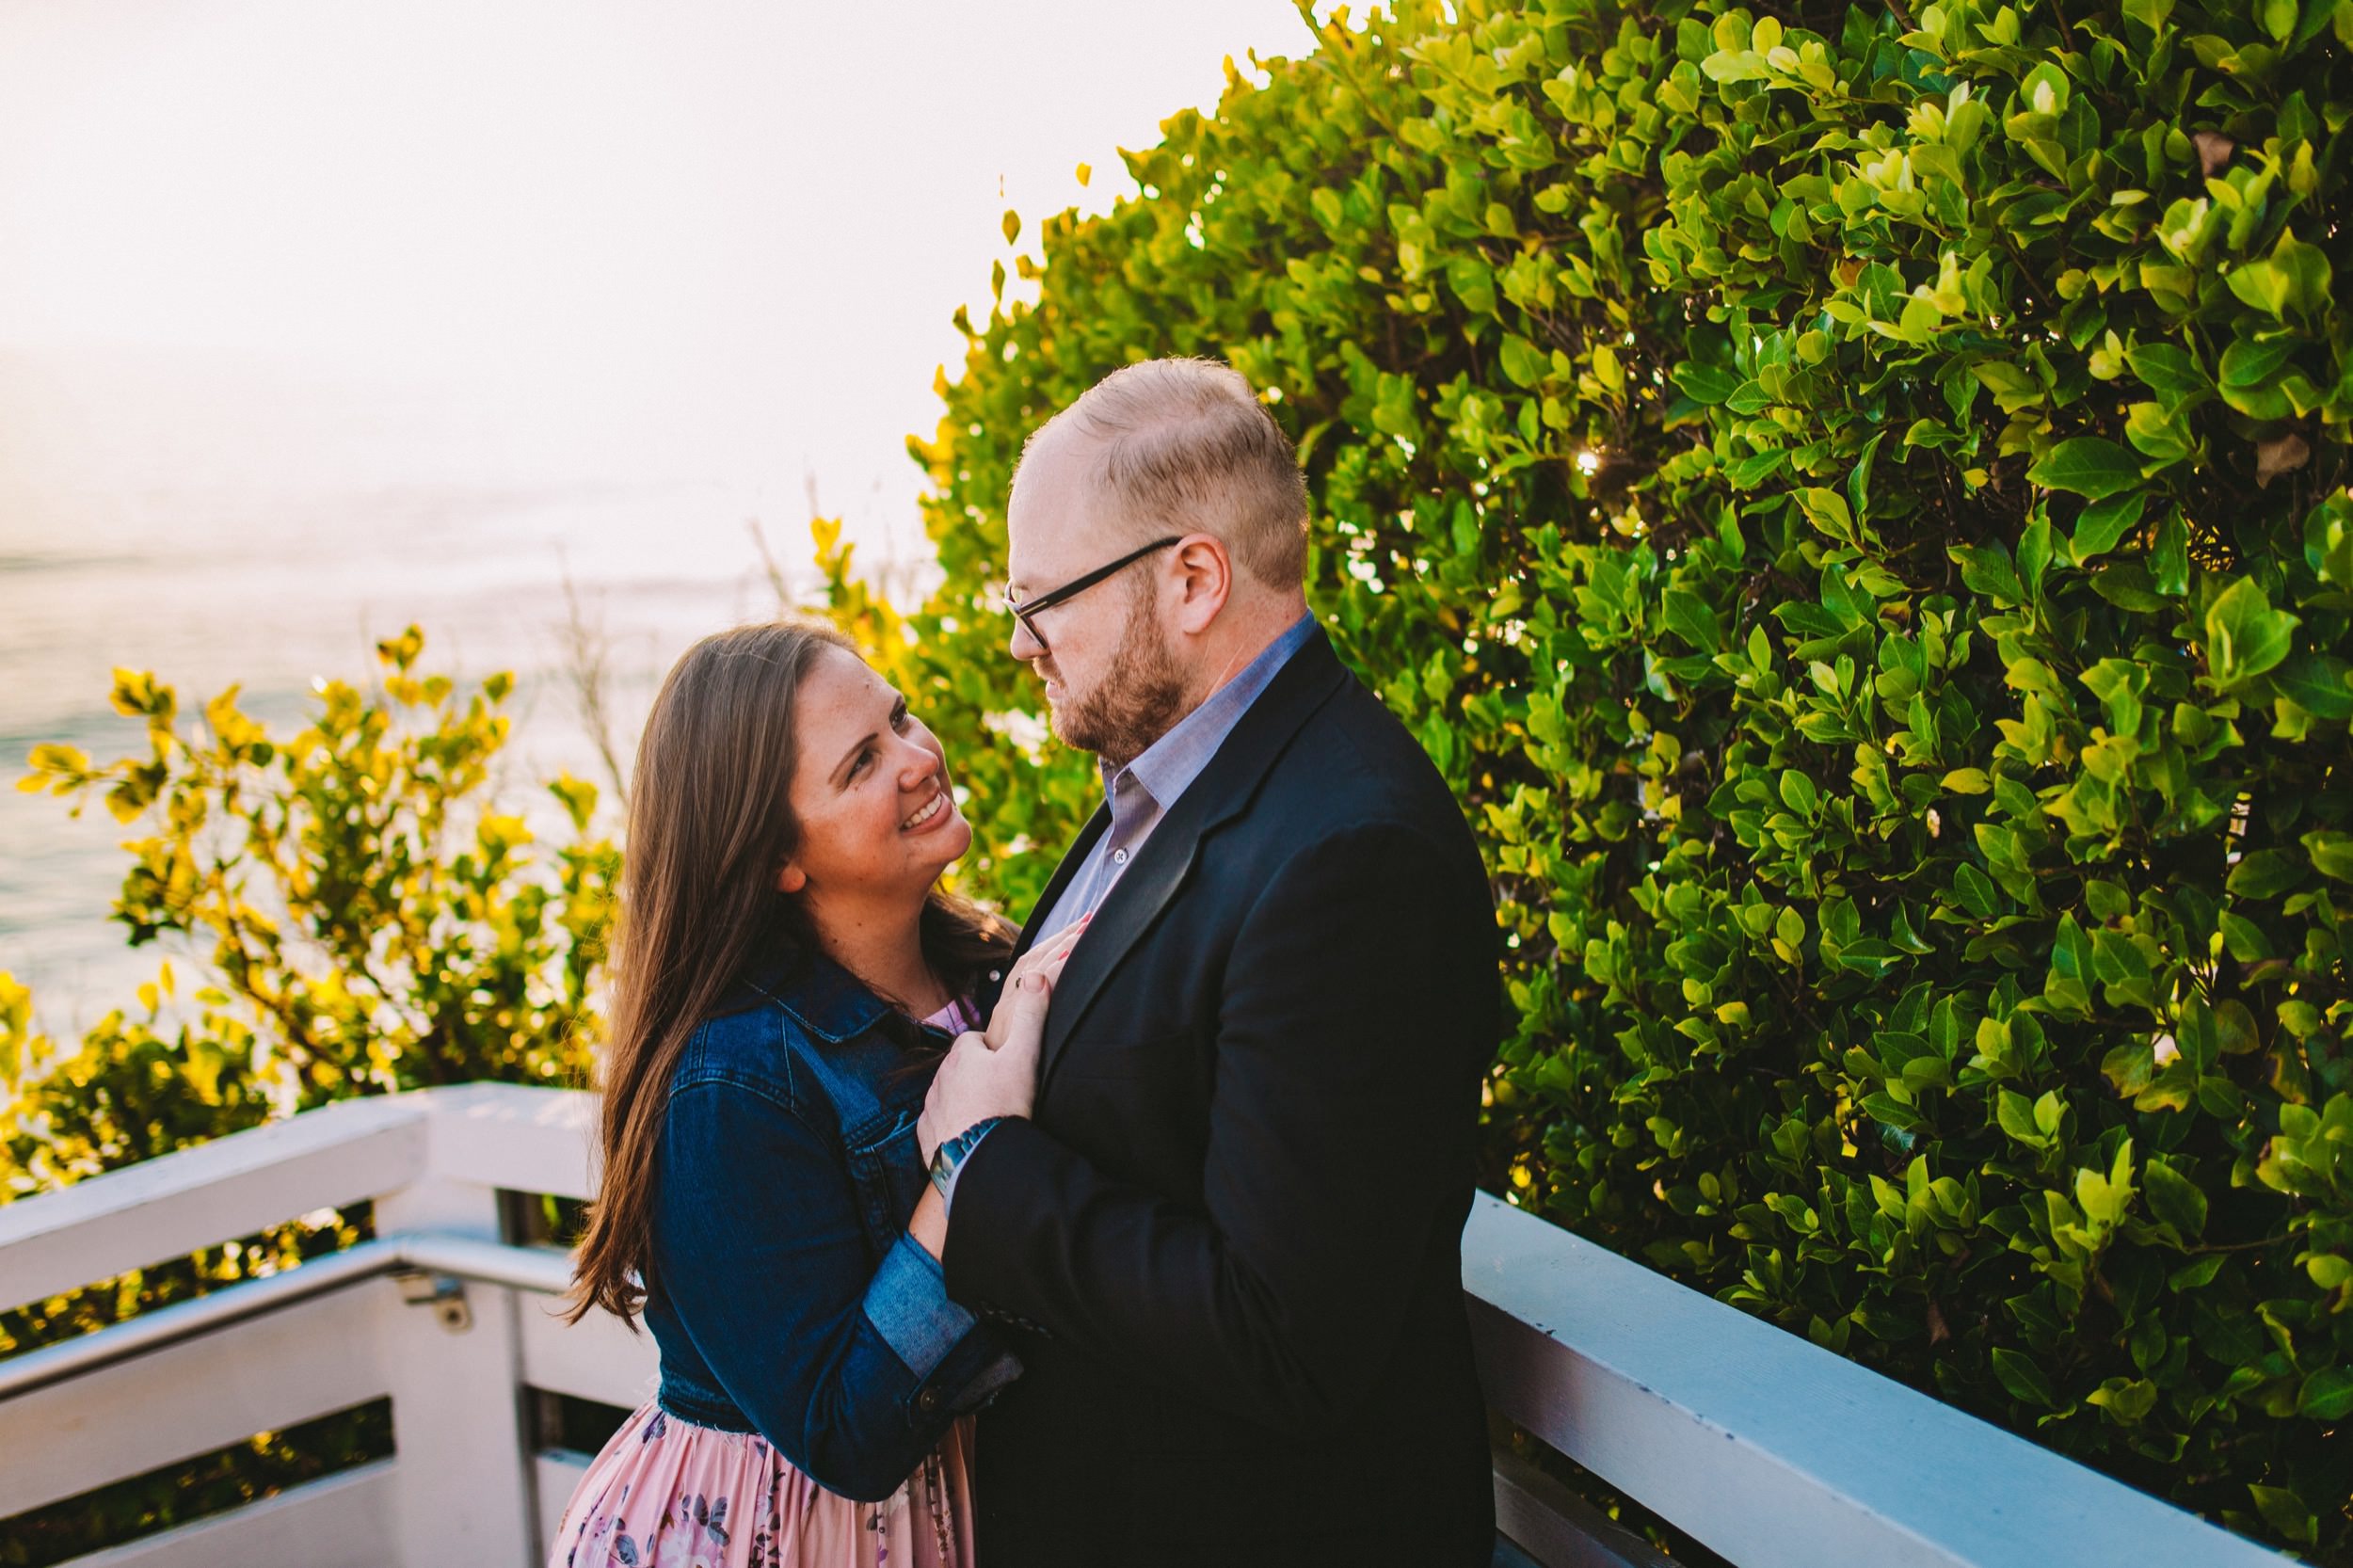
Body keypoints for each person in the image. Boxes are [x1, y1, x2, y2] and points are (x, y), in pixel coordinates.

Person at [918, 358, 1501, 1566]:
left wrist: (987, 1166)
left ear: (1193, 578)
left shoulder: (1353, 855)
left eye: (1043, 600)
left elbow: (1285, 1334)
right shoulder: (1161, 784)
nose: (1021, 643)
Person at [552, 619, 1081, 1568]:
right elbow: (846, 1433)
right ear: (774, 862)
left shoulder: (991, 975)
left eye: (902, 718)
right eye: (862, 763)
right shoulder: (730, 1082)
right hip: (771, 1538)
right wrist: (968, 1163)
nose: (920, 759)